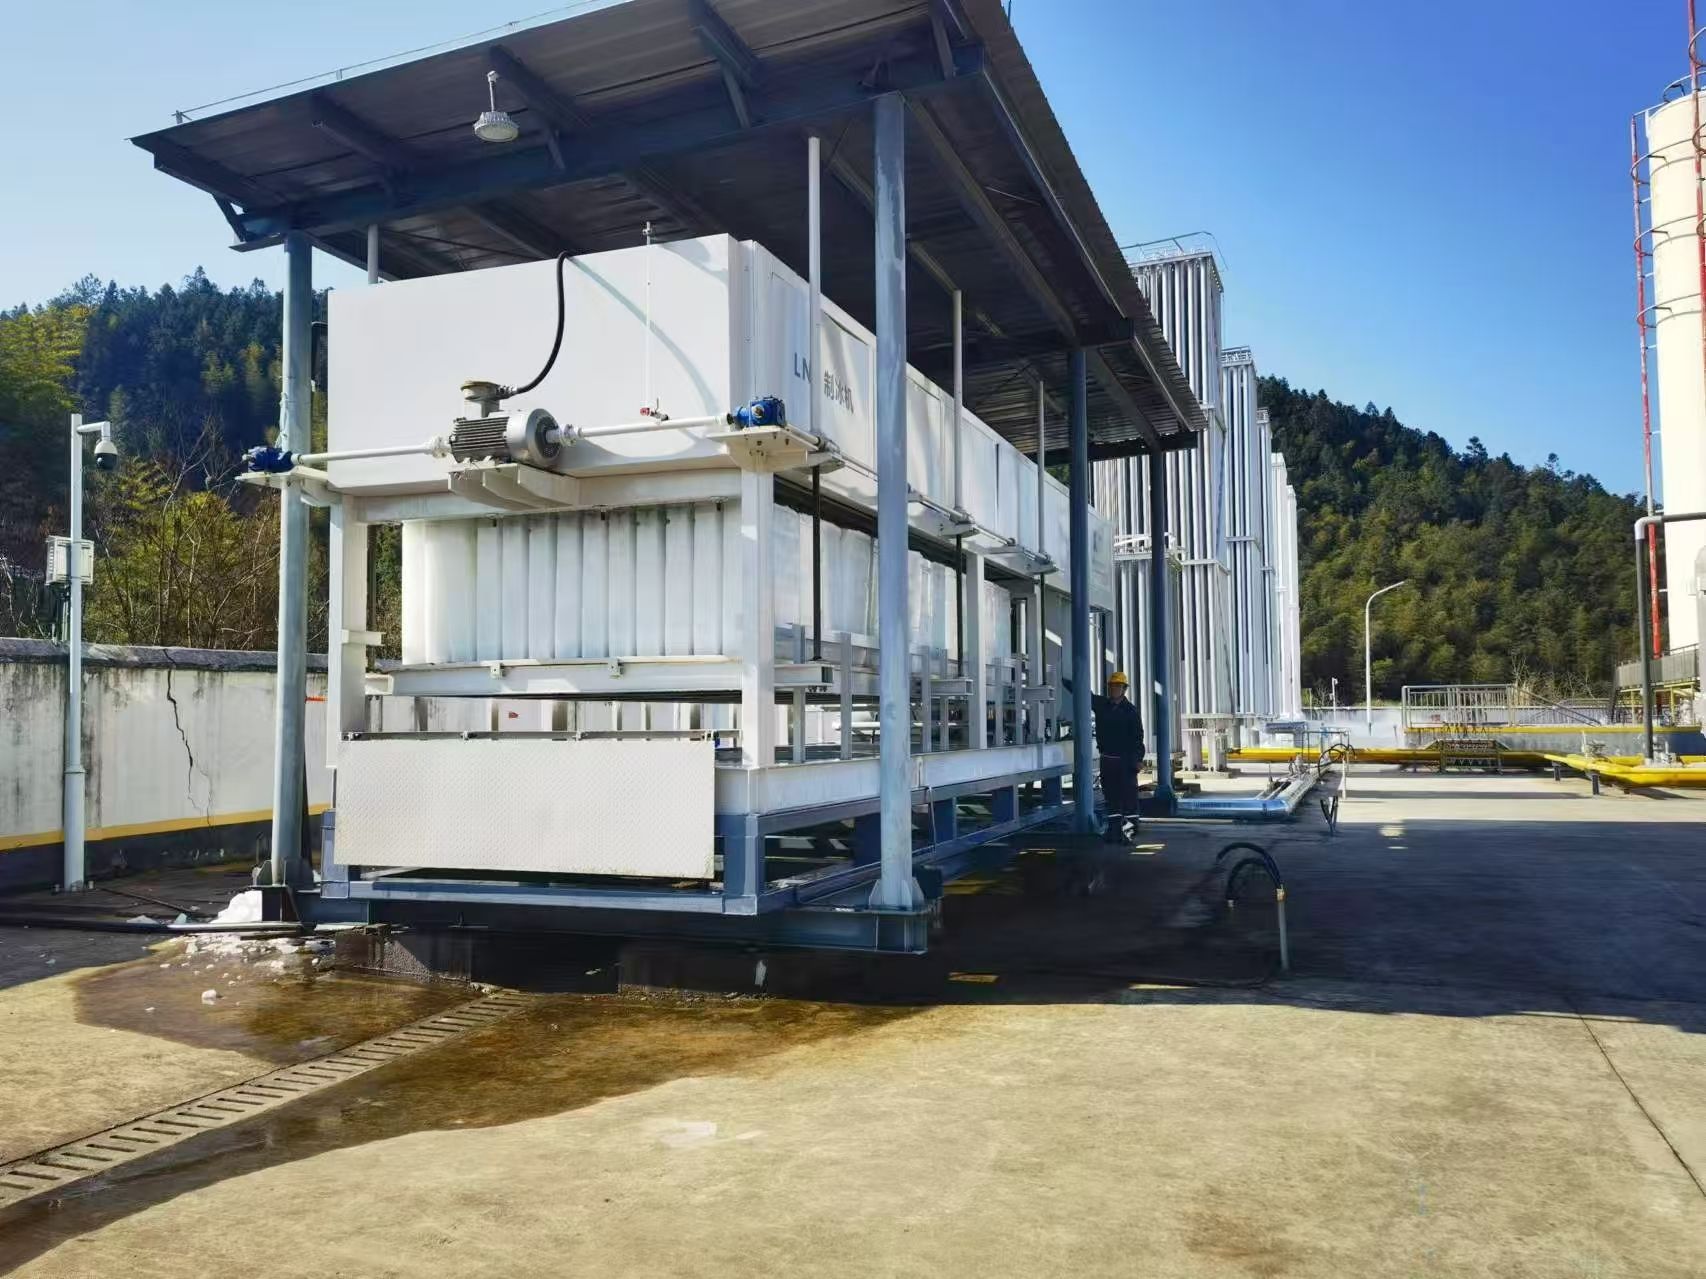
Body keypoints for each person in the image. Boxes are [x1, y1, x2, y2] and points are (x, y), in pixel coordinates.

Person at [1089, 671, 1145, 842]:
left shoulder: (1131, 711)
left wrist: (1138, 759)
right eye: (1112, 686)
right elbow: (1085, 693)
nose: (1114, 689)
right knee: (1111, 797)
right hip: (1107, 759)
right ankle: (1113, 833)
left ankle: (1129, 834)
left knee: (1128, 798)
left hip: (1126, 760)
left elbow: (1138, 737)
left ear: (1124, 689)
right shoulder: (1102, 705)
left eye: (1117, 686)